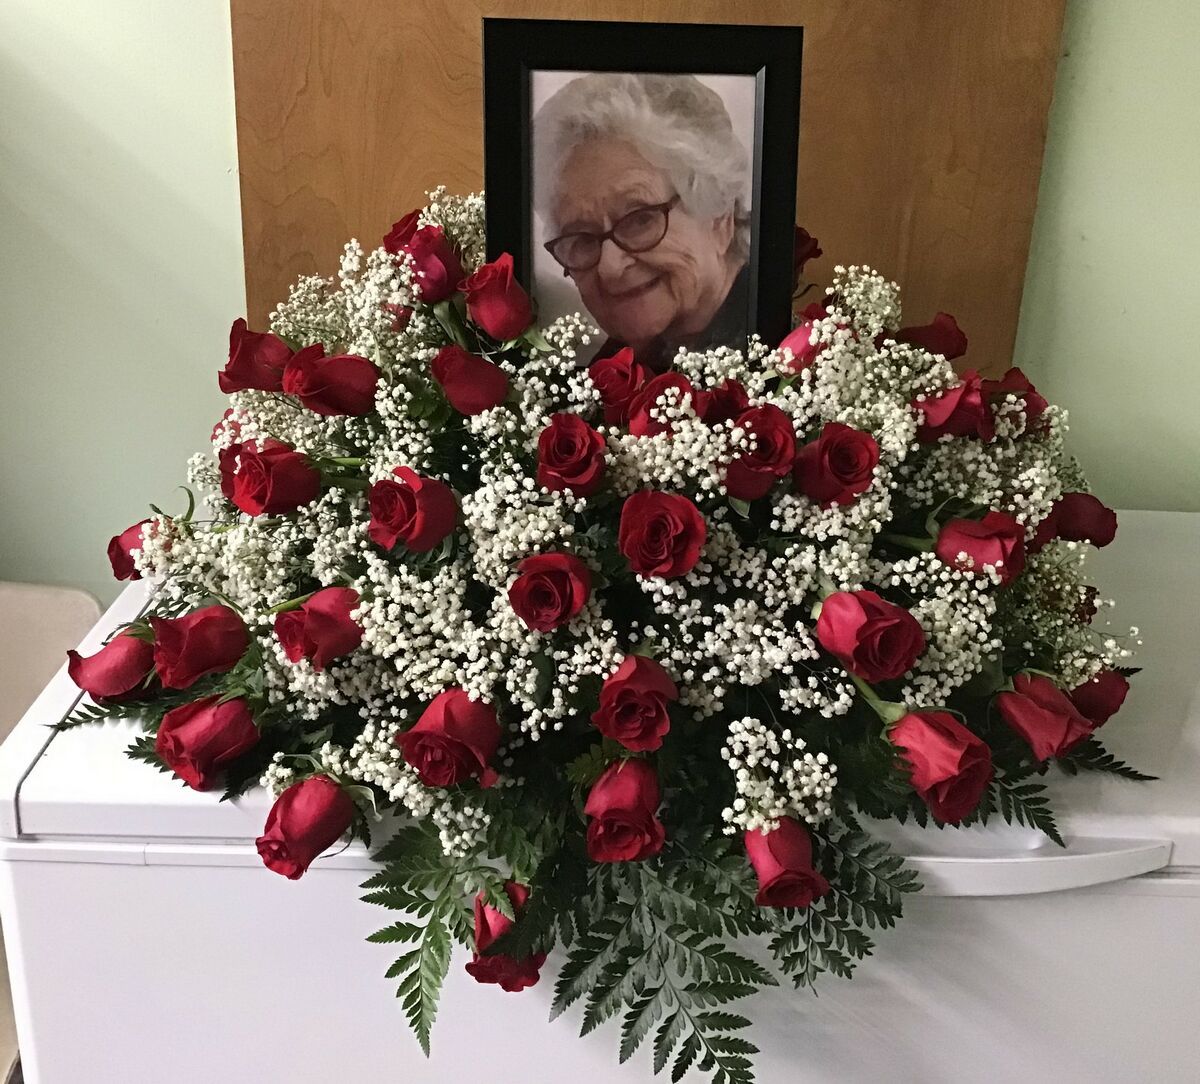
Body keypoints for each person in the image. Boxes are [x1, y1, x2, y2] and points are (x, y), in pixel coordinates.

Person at [532, 72, 752, 370]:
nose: (610, 268)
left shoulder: (785, 354)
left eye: (639, 220)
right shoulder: (613, 369)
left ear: (719, 214)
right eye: (582, 239)